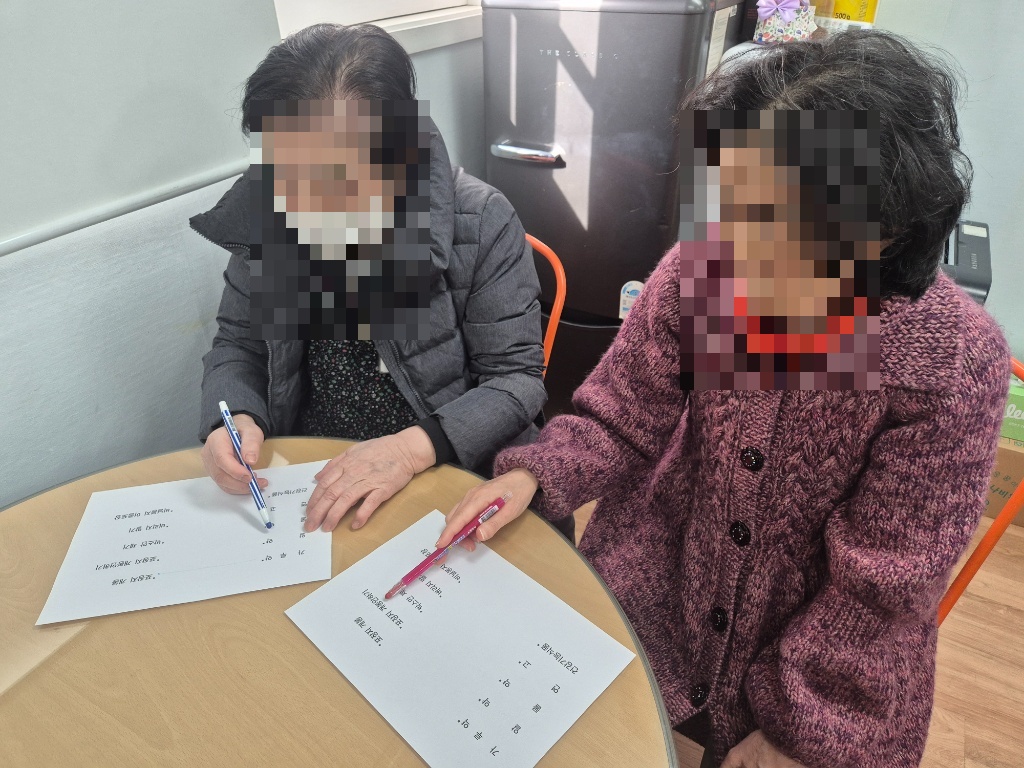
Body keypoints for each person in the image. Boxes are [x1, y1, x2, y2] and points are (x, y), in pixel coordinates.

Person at [437, 30, 1010, 768]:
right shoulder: (706, 273)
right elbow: (621, 414)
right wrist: (534, 475)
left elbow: (885, 583)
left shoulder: (947, 361)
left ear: (883, 232)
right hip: (661, 590)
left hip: (821, 669)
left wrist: (800, 727)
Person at [192, 24, 546, 535]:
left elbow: (516, 379)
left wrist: (408, 451)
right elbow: (239, 343)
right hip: (314, 468)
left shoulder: (481, 218)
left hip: (444, 464)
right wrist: (234, 417)